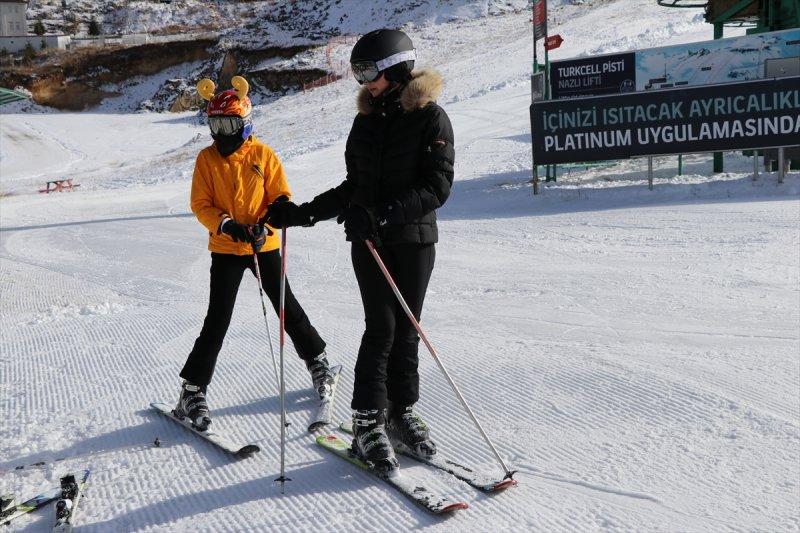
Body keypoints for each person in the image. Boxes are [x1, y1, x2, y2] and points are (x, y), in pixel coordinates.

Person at [266, 29, 454, 475]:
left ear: (396, 67)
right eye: (357, 73)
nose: (363, 82)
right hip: (369, 242)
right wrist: (304, 214)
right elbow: (355, 187)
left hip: (414, 240)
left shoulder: (432, 118)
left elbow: (437, 187)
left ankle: (400, 411)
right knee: (382, 328)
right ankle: (367, 417)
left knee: (407, 328)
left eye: (368, 71)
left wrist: (385, 213)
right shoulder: (365, 122)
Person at [175, 75, 335, 431]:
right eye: (215, 124)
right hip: (227, 246)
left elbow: (280, 196)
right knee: (218, 318)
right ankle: (192, 388)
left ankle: (318, 361)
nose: (221, 132)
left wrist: (266, 225)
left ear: (245, 123)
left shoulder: (263, 154)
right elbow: (200, 204)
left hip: (264, 244)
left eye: (228, 124)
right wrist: (227, 224)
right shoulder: (207, 159)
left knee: (287, 308)